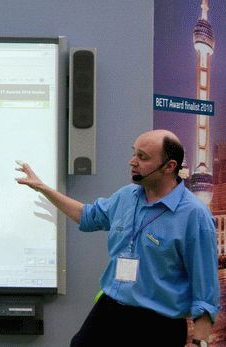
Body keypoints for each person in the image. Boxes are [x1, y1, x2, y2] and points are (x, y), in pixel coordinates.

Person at [15, 129, 219, 347]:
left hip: (157, 324)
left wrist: (199, 342)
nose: (132, 161)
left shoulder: (194, 216)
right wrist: (43, 188)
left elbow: (205, 292)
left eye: (143, 157)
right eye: (134, 153)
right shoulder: (127, 196)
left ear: (169, 166)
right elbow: (87, 215)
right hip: (110, 310)